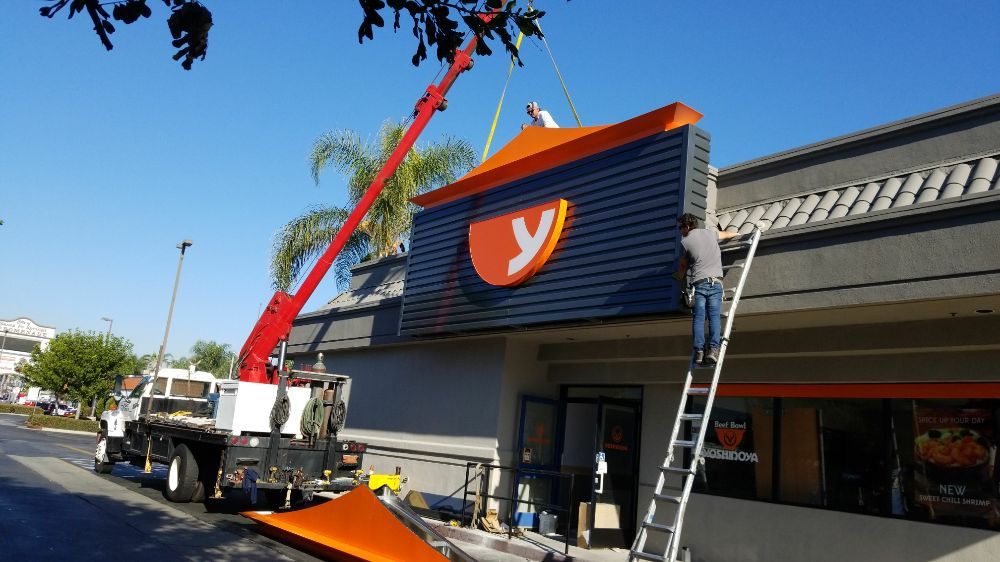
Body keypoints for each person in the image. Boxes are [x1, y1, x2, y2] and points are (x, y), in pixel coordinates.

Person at [673, 213, 740, 365]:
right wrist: (738, 234)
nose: (680, 231)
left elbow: (682, 268)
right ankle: (713, 350)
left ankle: (699, 352)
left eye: (680, 227)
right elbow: (725, 234)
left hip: (700, 284)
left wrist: (676, 277)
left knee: (699, 318)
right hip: (716, 283)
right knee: (714, 317)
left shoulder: (685, 243)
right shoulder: (710, 233)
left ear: (688, 226)